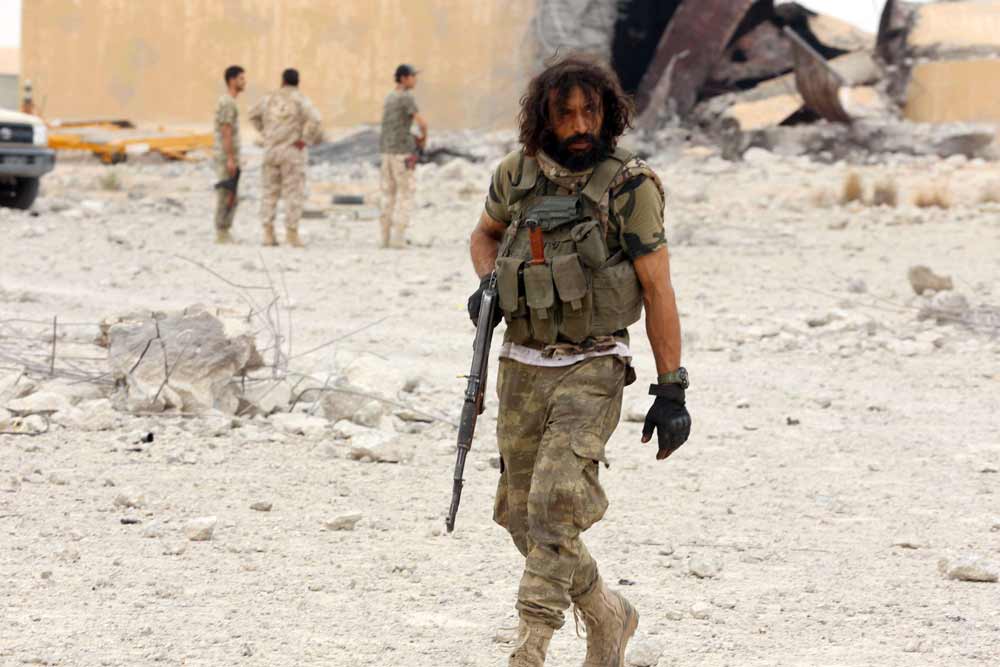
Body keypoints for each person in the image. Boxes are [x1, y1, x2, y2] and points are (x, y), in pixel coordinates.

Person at [466, 55, 692, 666]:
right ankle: (607, 613)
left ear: (608, 113)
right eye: (564, 114)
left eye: (590, 111)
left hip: (593, 361)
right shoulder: (516, 176)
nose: (579, 125)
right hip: (521, 362)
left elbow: (658, 288)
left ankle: (529, 649)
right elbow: (484, 235)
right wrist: (489, 283)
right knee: (521, 517)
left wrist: (671, 388)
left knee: (556, 504)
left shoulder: (630, 187)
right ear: (543, 118)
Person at [248, 68, 322, 247]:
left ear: (282, 81)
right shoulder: (301, 99)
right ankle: (291, 234)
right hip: (291, 151)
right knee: (293, 193)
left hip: (271, 151)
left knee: (269, 192)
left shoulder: (268, 98)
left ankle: (268, 233)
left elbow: (252, 115)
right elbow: (316, 119)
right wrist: (305, 140)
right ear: (298, 82)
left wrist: (266, 132)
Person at [378, 64, 428, 249]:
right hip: (402, 153)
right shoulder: (407, 97)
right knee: (406, 194)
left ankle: (384, 238)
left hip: (386, 152)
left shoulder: (389, 97)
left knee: (388, 194)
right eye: (413, 76)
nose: (415, 80)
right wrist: (423, 140)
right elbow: (422, 124)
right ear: (404, 78)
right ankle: (398, 238)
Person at [213, 65, 245, 244]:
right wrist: (230, 159)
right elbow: (226, 131)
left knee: (232, 194)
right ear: (232, 80)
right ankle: (222, 232)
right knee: (226, 194)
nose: (244, 82)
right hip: (226, 156)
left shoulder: (230, 102)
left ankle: (224, 231)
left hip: (230, 155)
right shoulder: (227, 103)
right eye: (241, 78)